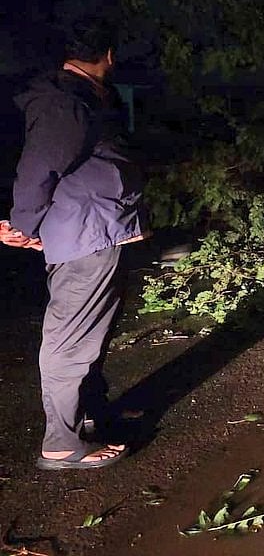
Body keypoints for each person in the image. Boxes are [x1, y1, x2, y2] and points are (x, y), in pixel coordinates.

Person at [0, 24, 148, 470]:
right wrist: (24, 224)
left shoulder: (85, 97)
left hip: (98, 229)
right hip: (87, 235)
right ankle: (61, 443)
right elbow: (40, 167)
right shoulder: (67, 102)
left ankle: (87, 416)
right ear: (108, 54)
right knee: (70, 338)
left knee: (91, 332)